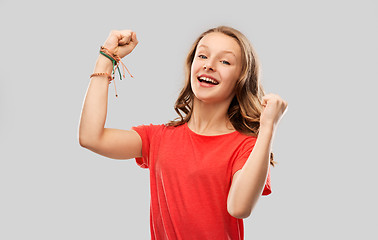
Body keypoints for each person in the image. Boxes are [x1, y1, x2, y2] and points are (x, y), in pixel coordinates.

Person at [79, 26, 288, 240]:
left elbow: (239, 208)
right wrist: (106, 58)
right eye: (203, 55)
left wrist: (268, 127)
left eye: (225, 61)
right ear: (191, 66)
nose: (209, 65)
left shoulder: (247, 147)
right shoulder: (158, 138)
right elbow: (91, 137)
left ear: (241, 78)